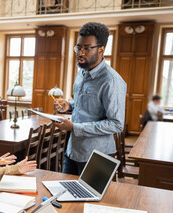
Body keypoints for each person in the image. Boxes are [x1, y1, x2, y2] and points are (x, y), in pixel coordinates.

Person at [54, 22, 127, 175]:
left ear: (101, 49)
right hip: (73, 151)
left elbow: (116, 124)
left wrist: (75, 127)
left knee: (91, 200)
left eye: (87, 48)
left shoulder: (112, 81)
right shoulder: (81, 72)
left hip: (97, 156)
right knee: (65, 195)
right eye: (78, 47)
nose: (80, 53)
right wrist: (70, 106)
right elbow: (88, 106)